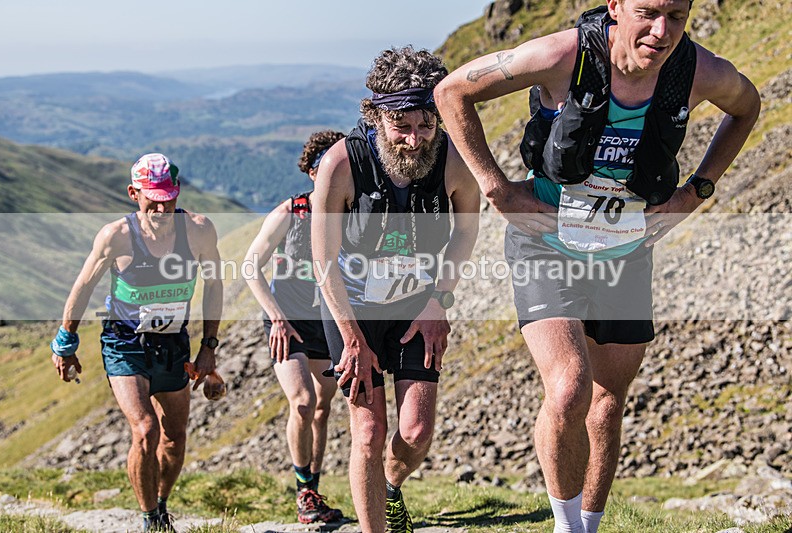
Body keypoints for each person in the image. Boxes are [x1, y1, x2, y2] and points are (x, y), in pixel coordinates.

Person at [434, 1, 760, 531]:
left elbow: (747, 107)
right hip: (547, 242)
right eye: (647, 12)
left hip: (625, 250)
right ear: (615, 6)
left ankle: (589, 525)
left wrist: (695, 192)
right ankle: (565, 526)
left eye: (676, 16)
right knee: (569, 388)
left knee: (607, 403)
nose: (661, 31)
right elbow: (451, 92)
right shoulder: (563, 56)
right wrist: (496, 187)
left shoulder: (700, 70)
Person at [310, 46, 480, 533]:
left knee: (417, 431)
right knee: (369, 430)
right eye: (400, 125)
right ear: (376, 116)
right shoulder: (342, 164)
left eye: (425, 125)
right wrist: (351, 338)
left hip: (416, 305)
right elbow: (323, 260)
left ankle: (389, 486)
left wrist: (438, 302)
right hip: (352, 308)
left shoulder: (452, 160)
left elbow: (466, 231)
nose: (413, 139)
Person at [50, 153, 223, 533]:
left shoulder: (199, 230)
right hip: (125, 341)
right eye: (153, 200)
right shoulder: (116, 236)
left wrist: (209, 347)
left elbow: (214, 285)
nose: (162, 208)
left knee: (174, 439)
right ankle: (150, 520)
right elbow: (84, 285)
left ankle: (160, 504)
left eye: (169, 199)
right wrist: (65, 341)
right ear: (133, 194)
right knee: (146, 430)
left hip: (174, 344)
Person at [243, 130, 346, 524]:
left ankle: (313, 492)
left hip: (329, 321)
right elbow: (251, 266)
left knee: (321, 408)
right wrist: (276, 318)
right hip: (287, 320)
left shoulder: (353, 212)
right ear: (312, 172)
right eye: (324, 167)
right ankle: (303, 490)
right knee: (302, 401)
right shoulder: (291, 212)